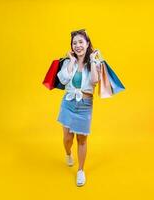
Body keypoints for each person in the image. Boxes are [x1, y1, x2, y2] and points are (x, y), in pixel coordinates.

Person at [57, 29, 101, 186]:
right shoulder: (69, 62)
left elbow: (95, 81)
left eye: (80, 42)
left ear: (87, 43)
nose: (77, 45)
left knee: (82, 140)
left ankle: (81, 170)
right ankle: (68, 153)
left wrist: (93, 60)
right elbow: (63, 79)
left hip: (84, 106)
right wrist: (71, 61)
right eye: (74, 43)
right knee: (68, 138)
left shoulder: (94, 63)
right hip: (68, 103)